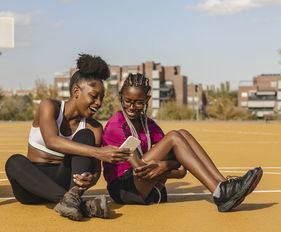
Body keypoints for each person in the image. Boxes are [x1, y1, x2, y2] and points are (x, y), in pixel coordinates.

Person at [103, 73, 263, 212]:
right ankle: (220, 192)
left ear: (147, 99)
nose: (131, 106)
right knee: (174, 137)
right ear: (120, 97)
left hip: (148, 186)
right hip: (124, 188)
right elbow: (141, 170)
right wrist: (167, 165)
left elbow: (181, 171)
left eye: (138, 102)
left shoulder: (149, 124)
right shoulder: (116, 126)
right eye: (127, 101)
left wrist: (165, 166)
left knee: (183, 134)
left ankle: (223, 185)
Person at [5, 54, 131, 221]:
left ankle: (71, 200)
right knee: (14, 162)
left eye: (101, 98)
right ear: (76, 91)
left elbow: (95, 171)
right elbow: (51, 140)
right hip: (31, 187)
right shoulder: (49, 106)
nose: (99, 103)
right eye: (94, 96)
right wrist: (99, 152)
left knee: (85, 134)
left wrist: (91, 179)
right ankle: (80, 204)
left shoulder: (94, 128)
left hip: (66, 183)